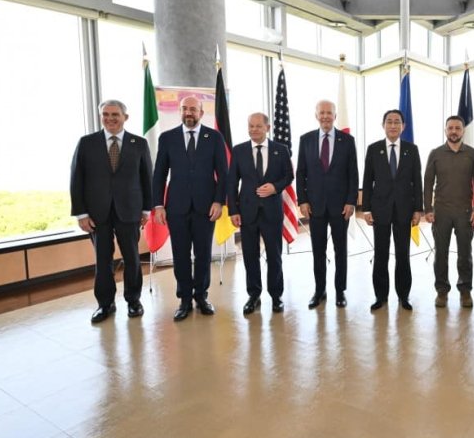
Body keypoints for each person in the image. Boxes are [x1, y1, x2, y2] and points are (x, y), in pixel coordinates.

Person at [71, 100, 153, 323]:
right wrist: (81, 214)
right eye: (105, 114)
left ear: (125, 117)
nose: (110, 118)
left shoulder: (139, 143)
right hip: (97, 214)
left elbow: (147, 178)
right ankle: (105, 304)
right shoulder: (86, 143)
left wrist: (147, 209)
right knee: (102, 259)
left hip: (130, 211)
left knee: (132, 258)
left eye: (115, 114)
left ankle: (134, 301)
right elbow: (76, 179)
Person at [152, 95, 228, 321]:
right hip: (176, 208)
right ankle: (184, 299)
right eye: (185, 108)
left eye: (193, 109)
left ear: (201, 113)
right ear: (180, 111)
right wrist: (158, 205)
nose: (189, 113)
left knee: (203, 254)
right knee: (181, 255)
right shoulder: (167, 138)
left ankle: (201, 296)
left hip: (207, 208)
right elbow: (159, 174)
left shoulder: (214, 137)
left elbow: (223, 174)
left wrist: (219, 201)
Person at [227, 112, 293, 315]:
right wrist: (233, 210)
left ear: (268, 128)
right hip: (247, 212)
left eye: (258, 126)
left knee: (274, 256)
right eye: (251, 126)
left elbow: (289, 176)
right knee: (250, 256)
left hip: (272, 211)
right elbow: (232, 182)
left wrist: (275, 187)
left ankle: (276, 296)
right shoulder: (239, 150)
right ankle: (253, 295)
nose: (254, 130)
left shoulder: (281, 150)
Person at [296, 100, 358, 309]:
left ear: (335, 115)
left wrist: (351, 202)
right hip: (315, 206)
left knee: (341, 250)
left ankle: (340, 291)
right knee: (318, 250)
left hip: (341, 207)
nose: (325, 116)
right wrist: (303, 200)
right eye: (321, 112)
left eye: (329, 113)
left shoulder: (347, 140)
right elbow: (301, 173)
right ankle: (319, 290)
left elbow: (353, 174)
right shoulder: (306, 140)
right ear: (316, 115)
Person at [362, 109, 423, 311]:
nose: (393, 125)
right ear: (383, 125)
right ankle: (380, 296)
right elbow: (367, 180)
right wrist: (366, 209)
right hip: (380, 210)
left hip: (405, 210)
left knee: (403, 254)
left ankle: (403, 296)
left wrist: (418, 209)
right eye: (389, 121)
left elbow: (417, 181)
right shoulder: (374, 149)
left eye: (397, 122)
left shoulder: (411, 149)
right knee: (381, 254)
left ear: (403, 126)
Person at [423, 115, 474, 308]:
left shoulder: (472, 154)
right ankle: (442, 290)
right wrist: (428, 208)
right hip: (441, 212)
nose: (454, 131)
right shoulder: (435, 153)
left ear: (463, 130)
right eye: (450, 128)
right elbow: (428, 182)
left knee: (465, 254)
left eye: (458, 128)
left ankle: (465, 290)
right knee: (440, 253)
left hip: (465, 212)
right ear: (445, 130)